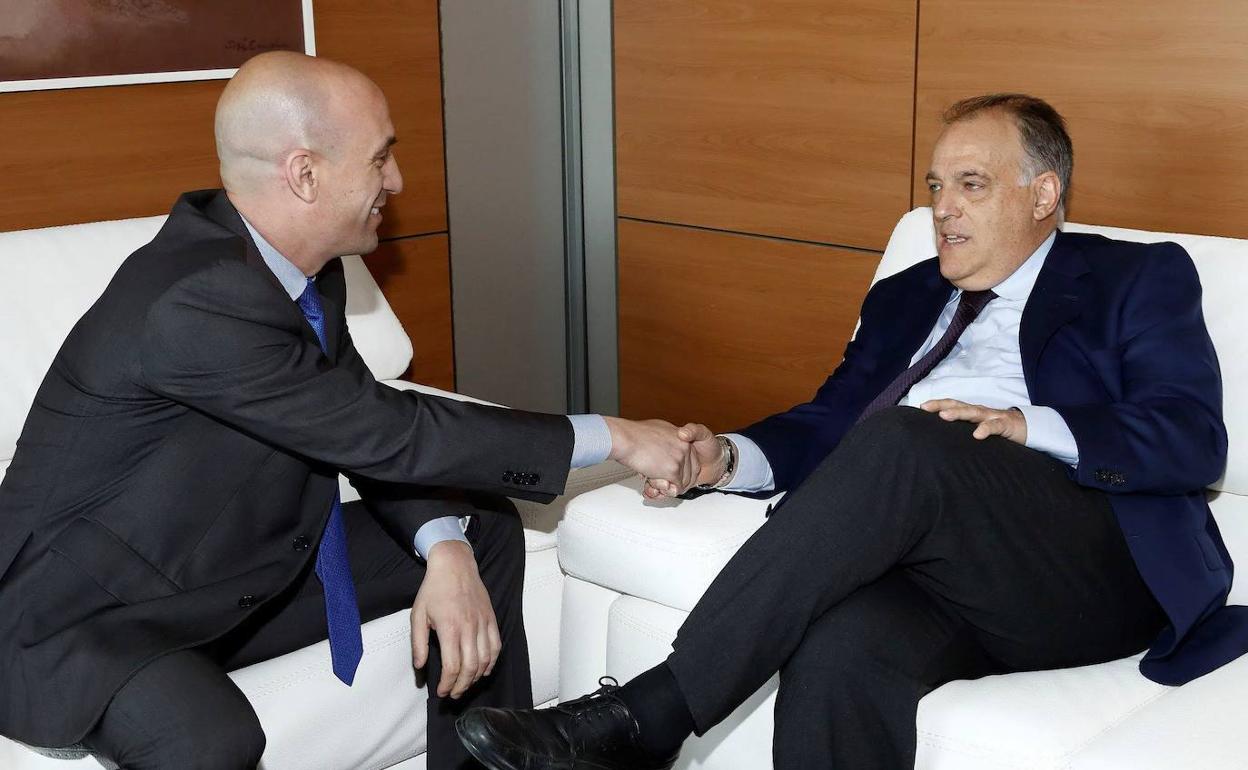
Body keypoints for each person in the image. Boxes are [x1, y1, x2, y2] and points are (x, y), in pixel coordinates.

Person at [456, 94, 1248, 770]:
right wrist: (723, 457)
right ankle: (649, 720)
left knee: (911, 438)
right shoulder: (906, 295)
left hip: (1086, 568)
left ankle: (649, 715)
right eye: (937, 185)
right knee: (840, 646)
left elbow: (1190, 438)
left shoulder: (1133, 277)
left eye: (971, 184)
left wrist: (1025, 425)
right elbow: (829, 423)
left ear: (1043, 194)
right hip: (945, 570)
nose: (943, 207)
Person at [0, 52, 703, 770]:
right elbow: (390, 432)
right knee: (212, 741)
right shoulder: (199, 299)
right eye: (380, 158)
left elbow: (357, 421)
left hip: (220, 569)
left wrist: (445, 548)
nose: (395, 181)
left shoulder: (297, 269)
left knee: (481, 526)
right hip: (83, 618)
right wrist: (614, 435)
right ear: (305, 174)